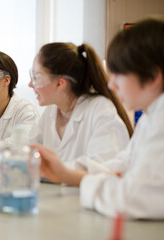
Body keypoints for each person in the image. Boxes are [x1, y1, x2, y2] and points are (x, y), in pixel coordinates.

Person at [33, 16, 164, 219]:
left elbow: (134, 197)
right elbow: (120, 165)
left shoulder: (157, 118)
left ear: (153, 77)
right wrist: (64, 173)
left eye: (119, 75)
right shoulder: (150, 118)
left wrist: (87, 182)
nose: (112, 85)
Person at [28, 41, 133, 168]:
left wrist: (56, 171)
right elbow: (27, 148)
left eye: (36, 76)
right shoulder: (52, 111)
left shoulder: (100, 109)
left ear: (60, 84)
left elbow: (104, 167)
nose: (31, 84)